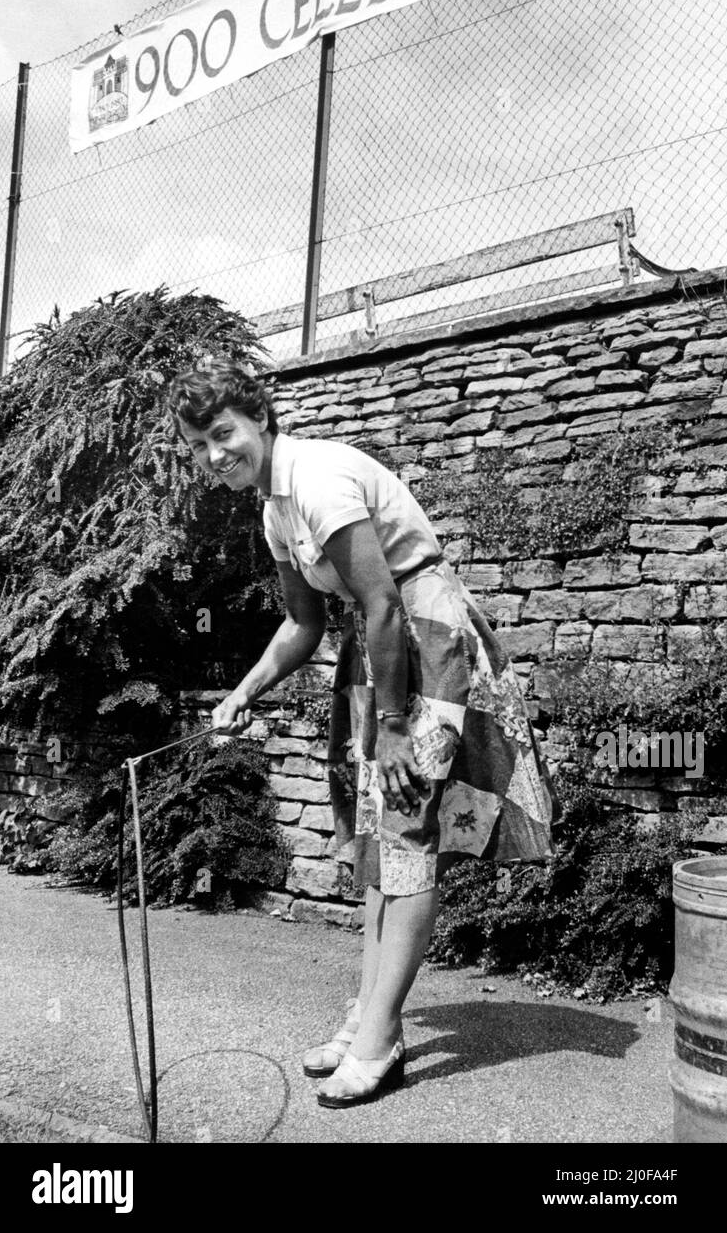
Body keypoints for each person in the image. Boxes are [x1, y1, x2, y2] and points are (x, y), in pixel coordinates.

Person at [168, 356, 557, 1108]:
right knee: (383, 842)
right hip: (381, 657)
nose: (214, 455)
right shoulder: (274, 507)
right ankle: (367, 1017)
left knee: (406, 834)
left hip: (424, 645)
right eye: (198, 445)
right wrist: (243, 692)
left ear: (260, 419)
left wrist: (392, 725)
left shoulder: (315, 480)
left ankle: (379, 1039)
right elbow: (301, 622)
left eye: (223, 433)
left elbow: (382, 603)